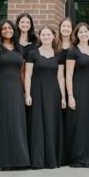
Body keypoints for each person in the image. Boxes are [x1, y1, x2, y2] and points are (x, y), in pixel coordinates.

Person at [0, 20, 30, 169]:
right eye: (4, 28)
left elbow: (22, 72)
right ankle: (1, 162)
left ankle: (19, 161)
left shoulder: (19, 48)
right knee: (1, 123)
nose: (7, 30)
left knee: (16, 123)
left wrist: (25, 91)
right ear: (0, 31)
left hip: (16, 89)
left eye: (10, 28)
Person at [24, 26, 66, 169]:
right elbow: (28, 75)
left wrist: (63, 97)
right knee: (37, 124)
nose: (47, 37)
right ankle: (38, 159)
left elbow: (61, 77)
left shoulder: (59, 55)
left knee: (52, 122)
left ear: (54, 36)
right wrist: (28, 93)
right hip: (37, 91)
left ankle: (52, 159)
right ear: (40, 37)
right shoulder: (32, 54)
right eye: (44, 35)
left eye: (49, 34)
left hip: (54, 92)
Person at [66, 23, 89, 167]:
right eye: (81, 32)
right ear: (77, 35)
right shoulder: (72, 51)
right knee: (79, 123)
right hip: (78, 89)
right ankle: (79, 157)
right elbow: (68, 75)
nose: (83, 34)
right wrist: (70, 95)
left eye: (86, 32)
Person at [56, 17, 74, 165]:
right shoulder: (54, 45)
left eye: (69, 27)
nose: (66, 29)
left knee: (70, 121)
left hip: (74, 86)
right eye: (64, 26)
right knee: (59, 122)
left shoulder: (76, 46)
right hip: (56, 86)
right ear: (60, 28)